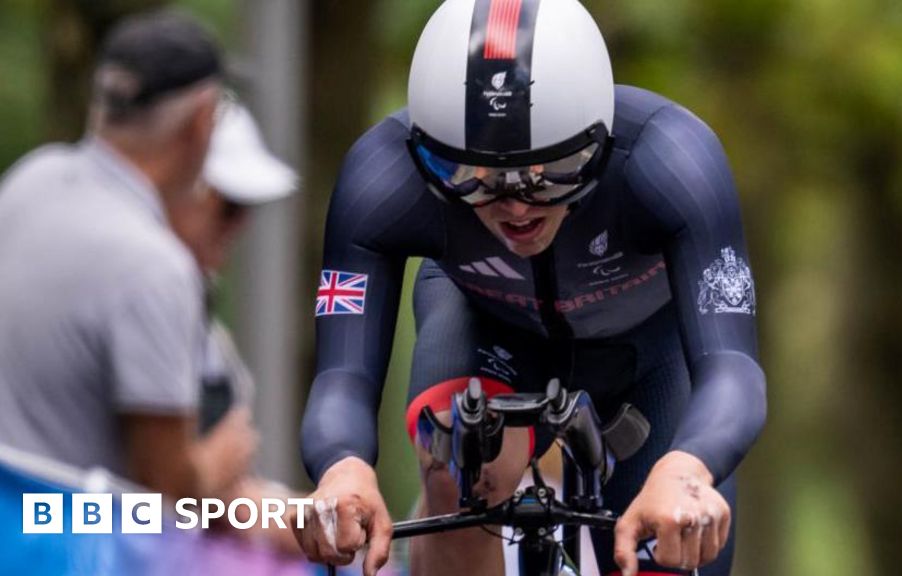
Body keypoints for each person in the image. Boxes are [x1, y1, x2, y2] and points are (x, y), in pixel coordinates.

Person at [295, 1, 767, 575]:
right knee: (457, 469)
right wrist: (342, 466)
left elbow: (731, 368)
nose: (516, 205)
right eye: (470, 178)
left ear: (602, 135)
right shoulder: (379, 178)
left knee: (672, 537)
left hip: (648, 351)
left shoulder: (673, 160)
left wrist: (689, 469)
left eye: (553, 172)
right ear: (424, 151)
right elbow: (343, 376)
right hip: (481, 319)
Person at [0, 10, 253, 502]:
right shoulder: (154, 268)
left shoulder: (29, 179)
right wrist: (217, 463)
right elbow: (164, 500)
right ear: (202, 121)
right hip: (63, 551)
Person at [167, 99, 303, 554]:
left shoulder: (198, 313)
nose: (239, 224)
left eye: (247, 208)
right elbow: (165, 497)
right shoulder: (147, 301)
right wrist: (292, 520)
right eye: (228, 205)